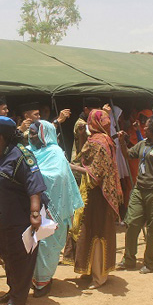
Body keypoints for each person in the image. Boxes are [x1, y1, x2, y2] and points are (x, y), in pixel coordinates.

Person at [0, 116, 46, 305]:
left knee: (21, 259)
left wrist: (35, 214)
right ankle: (13, 290)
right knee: (7, 256)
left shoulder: (21, 155)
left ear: (0, 137)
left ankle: (18, 300)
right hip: (2, 218)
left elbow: (34, 186)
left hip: (21, 220)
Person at [28, 120, 83, 296]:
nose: (31, 135)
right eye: (29, 132)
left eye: (35, 132)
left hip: (53, 209)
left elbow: (58, 176)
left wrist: (33, 174)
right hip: (32, 208)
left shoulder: (55, 153)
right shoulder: (29, 152)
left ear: (45, 134)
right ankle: (33, 278)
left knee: (46, 245)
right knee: (32, 243)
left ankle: (43, 281)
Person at [71, 108, 123, 288]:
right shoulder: (106, 139)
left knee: (95, 230)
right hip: (104, 194)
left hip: (96, 195)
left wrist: (72, 167)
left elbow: (95, 174)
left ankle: (98, 275)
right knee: (98, 231)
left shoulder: (96, 143)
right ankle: (95, 271)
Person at [118, 115, 153, 274]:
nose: (145, 128)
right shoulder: (143, 144)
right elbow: (128, 154)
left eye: (148, 126)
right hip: (139, 190)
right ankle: (129, 259)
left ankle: (149, 262)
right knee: (132, 223)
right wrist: (122, 142)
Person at [64, 97, 102, 265]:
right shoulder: (82, 125)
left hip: (84, 169)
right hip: (81, 169)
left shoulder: (98, 135)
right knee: (79, 210)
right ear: (86, 110)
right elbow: (83, 149)